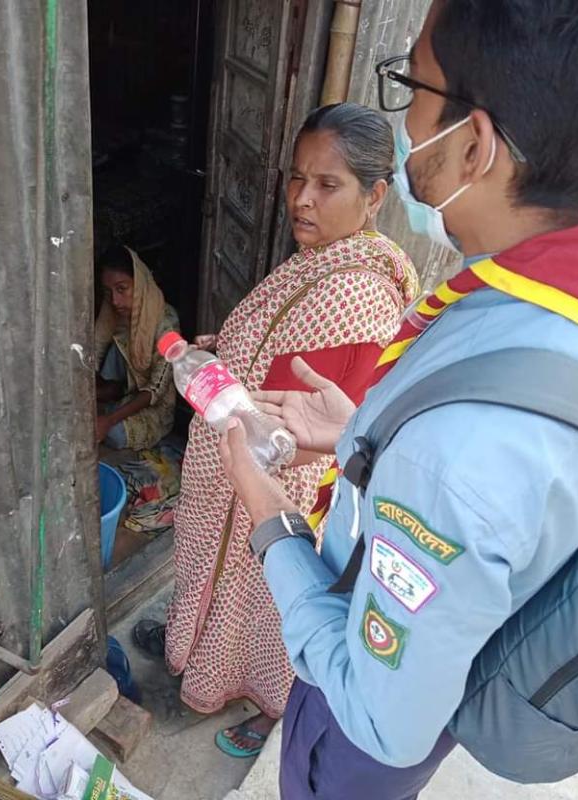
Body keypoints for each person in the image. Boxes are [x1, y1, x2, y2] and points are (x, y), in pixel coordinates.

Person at [218, 1, 578, 797]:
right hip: (450, 639)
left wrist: (270, 522)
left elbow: (381, 718)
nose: (403, 115)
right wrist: (365, 438)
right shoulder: (541, 305)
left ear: (472, 144)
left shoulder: (461, 451)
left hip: (367, 719)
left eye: (410, 84)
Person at [135, 104, 419, 757]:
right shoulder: (331, 256)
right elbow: (266, 356)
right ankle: (193, 654)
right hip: (247, 456)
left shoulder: (353, 289)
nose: (301, 199)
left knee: (263, 605)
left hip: (278, 480)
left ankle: (268, 707)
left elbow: (297, 409)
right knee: (211, 579)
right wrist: (208, 355)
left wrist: (222, 392)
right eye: (296, 179)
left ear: (373, 195)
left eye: (327, 185)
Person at [95, 245, 179, 450]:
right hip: (126, 392)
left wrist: (109, 420)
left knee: (115, 435)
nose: (115, 300)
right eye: (109, 292)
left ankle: (111, 402)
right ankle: (111, 392)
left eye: (122, 289)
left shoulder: (166, 323)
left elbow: (155, 390)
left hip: (154, 407)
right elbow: (93, 352)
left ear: (139, 284)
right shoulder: (113, 313)